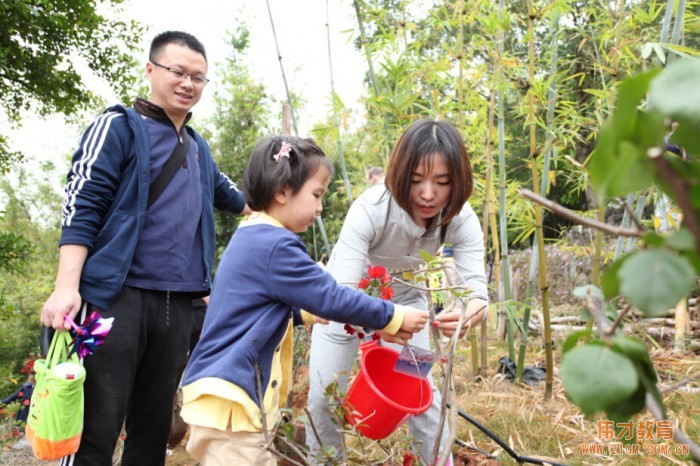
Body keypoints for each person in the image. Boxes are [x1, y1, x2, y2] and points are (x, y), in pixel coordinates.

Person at [40, 31, 250, 466]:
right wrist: (66, 288)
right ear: (151, 70)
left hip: (178, 306)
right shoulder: (117, 127)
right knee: (94, 425)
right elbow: (83, 205)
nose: (188, 83)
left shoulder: (198, 148)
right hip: (111, 301)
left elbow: (240, 201)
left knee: (153, 431)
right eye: (178, 72)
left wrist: (295, 188)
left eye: (198, 77)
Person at [179, 136, 430, 466]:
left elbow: (255, 309)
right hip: (232, 406)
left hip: (223, 401)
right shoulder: (276, 244)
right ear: (282, 192)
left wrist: (306, 315)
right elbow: (331, 295)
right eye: (316, 195)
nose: (320, 207)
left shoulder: (251, 234)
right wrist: (391, 316)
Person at [306, 118, 489, 464]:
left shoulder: (461, 219)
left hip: (408, 304)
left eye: (442, 182)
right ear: (399, 174)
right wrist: (388, 320)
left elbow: (477, 293)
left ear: (458, 181)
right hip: (345, 307)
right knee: (322, 400)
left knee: (421, 395)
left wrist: (468, 314)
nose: (428, 193)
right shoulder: (371, 211)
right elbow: (339, 292)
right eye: (416, 180)